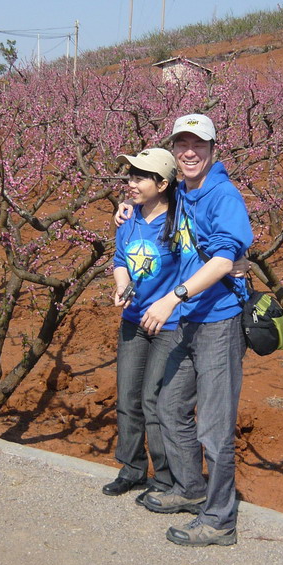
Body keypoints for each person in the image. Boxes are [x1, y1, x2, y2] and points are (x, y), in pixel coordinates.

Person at [137, 114, 254, 547]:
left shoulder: (223, 194)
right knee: (169, 406)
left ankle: (220, 520)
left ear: (213, 148)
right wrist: (127, 205)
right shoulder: (186, 191)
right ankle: (190, 489)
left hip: (218, 323)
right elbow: (154, 200)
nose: (189, 151)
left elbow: (224, 259)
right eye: (181, 144)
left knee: (215, 429)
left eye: (198, 144)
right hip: (191, 320)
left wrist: (174, 297)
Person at [102, 148, 179, 504]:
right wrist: (121, 286)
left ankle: (164, 477)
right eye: (129, 176)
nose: (130, 184)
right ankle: (132, 469)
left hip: (169, 324)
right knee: (128, 399)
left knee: (154, 401)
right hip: (133, 320)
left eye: (139, 177)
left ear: (162, 184)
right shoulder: (127, 218)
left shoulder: (179, 222)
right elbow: (120, 260)